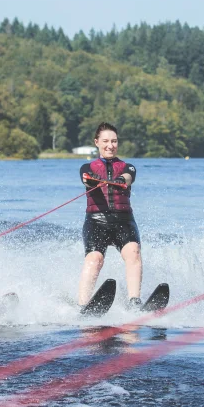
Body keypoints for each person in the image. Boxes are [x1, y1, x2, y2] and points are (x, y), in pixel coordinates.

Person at [77, 122, 142, 310]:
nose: (110, 145)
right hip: (96, 221)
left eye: (114, 141)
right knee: (94, 258)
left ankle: (134, 301)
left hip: (123, 221)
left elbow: (129, 177)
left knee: (133, 251)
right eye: (105, 141)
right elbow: (85, 178)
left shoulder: (128, 167)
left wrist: (121, 180)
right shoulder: (87, 167)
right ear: (96, 142)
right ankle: (83, 305)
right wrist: (90, 181)